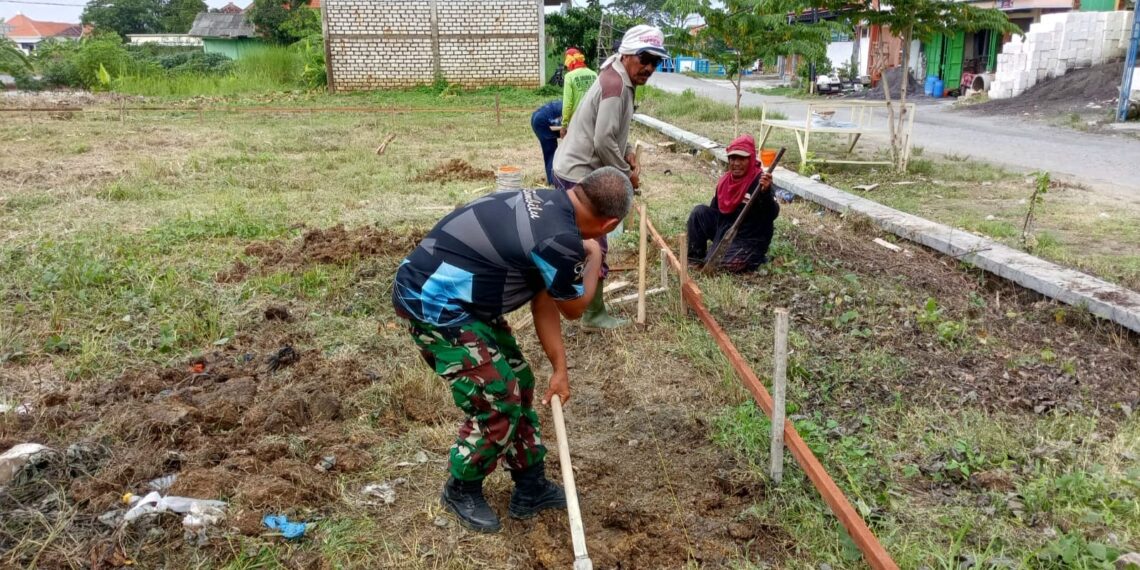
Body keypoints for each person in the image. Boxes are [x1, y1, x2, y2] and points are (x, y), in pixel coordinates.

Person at [392, 167, 634, 533]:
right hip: (433, 303)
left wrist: (560, 369)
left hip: (466, 302)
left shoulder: (552, 204)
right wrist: (595, 255)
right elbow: (573, 308)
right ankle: (461, 487)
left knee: (518, 378)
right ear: (609, 223)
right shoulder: (562, 241)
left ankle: (530, 484)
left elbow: (544, 302)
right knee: (497, 395)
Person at [550, 24, 669, 328]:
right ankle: (591, 313)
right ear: (627, 54)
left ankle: (574, 299)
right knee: (593, 241)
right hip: (578, 172)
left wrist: (627, 151)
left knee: (582, 239)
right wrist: (627, 173)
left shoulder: (620, 79)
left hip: (577, 168)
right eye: (645, 58)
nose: (650, 67)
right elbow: (603, 141)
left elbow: (615, 132)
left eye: (656, 62)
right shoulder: (616, 86)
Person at [687, 134, 779, 273]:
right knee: (698, 213)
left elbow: (772, 214)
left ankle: (754, 258)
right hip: (726, 229)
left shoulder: (760, 182)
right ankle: (695, 259)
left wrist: (765, 193)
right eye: (733, 158)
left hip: (749, 237)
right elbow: (715, 210)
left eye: (742, 158)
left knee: (718, 266)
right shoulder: (725, 181)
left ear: (751, 159)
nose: (736, 163)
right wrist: (717, 238)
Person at [559, 47, 597, 139]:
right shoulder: (594, 74)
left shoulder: (569, 77)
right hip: (593, 120)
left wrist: (564, 125)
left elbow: (568, 104)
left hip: (577, 121)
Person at [530, 99, 562, 186]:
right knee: (551, 152)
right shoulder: (577, 111)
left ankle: (553, 179)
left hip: (537, 116)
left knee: (551, 152)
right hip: (542, 121)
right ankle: (552, 182)